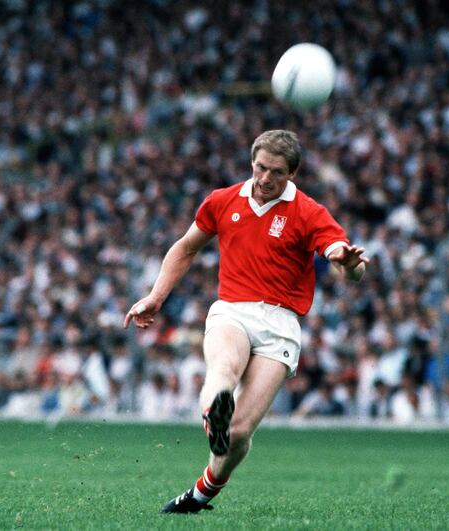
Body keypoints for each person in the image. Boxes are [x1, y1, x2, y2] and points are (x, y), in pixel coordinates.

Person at [123, 130, 368, 513]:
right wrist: (155, 297)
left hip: (281, 325)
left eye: (277, 172)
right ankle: (214, 413)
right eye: (260, 167)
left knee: (238, 433)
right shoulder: (222, 201)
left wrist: (348, 264)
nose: (266, 178)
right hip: (232, 309)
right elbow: (185, 248)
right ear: (252, 162)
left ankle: (202, 492)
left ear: (293, 174)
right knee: (223, 367)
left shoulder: (308, 212)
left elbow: (343, 256)